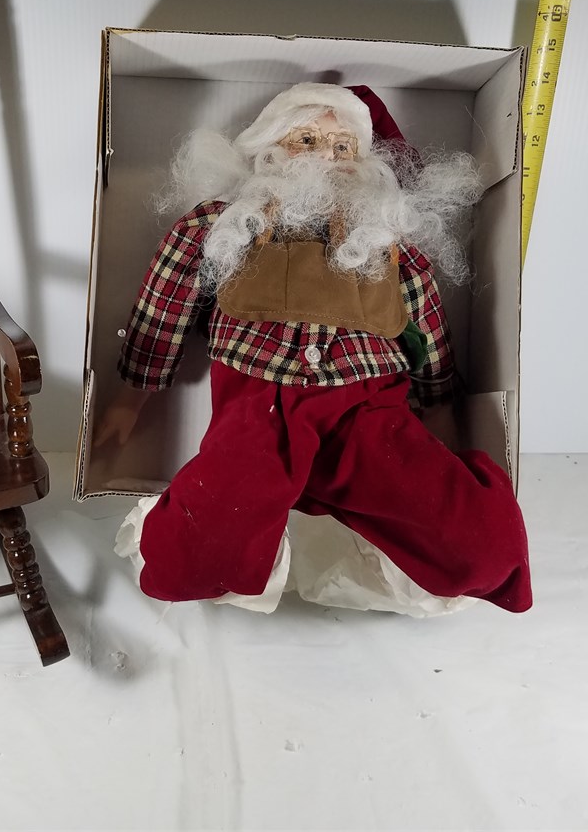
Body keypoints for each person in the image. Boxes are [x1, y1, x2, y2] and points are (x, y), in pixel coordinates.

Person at [96, 82, 531, 615]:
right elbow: (162, 309)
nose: (327, 155)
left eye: (343, 146)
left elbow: (432, 338)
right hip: (260, 415)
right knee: (192, 556)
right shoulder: (221, 223)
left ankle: (367, 541)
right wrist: (130, 399)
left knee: (481, 549)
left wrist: (441, 419)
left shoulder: (387, 243)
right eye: (306, 139)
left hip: (369, 416)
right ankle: (259, 537)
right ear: (269, 148)